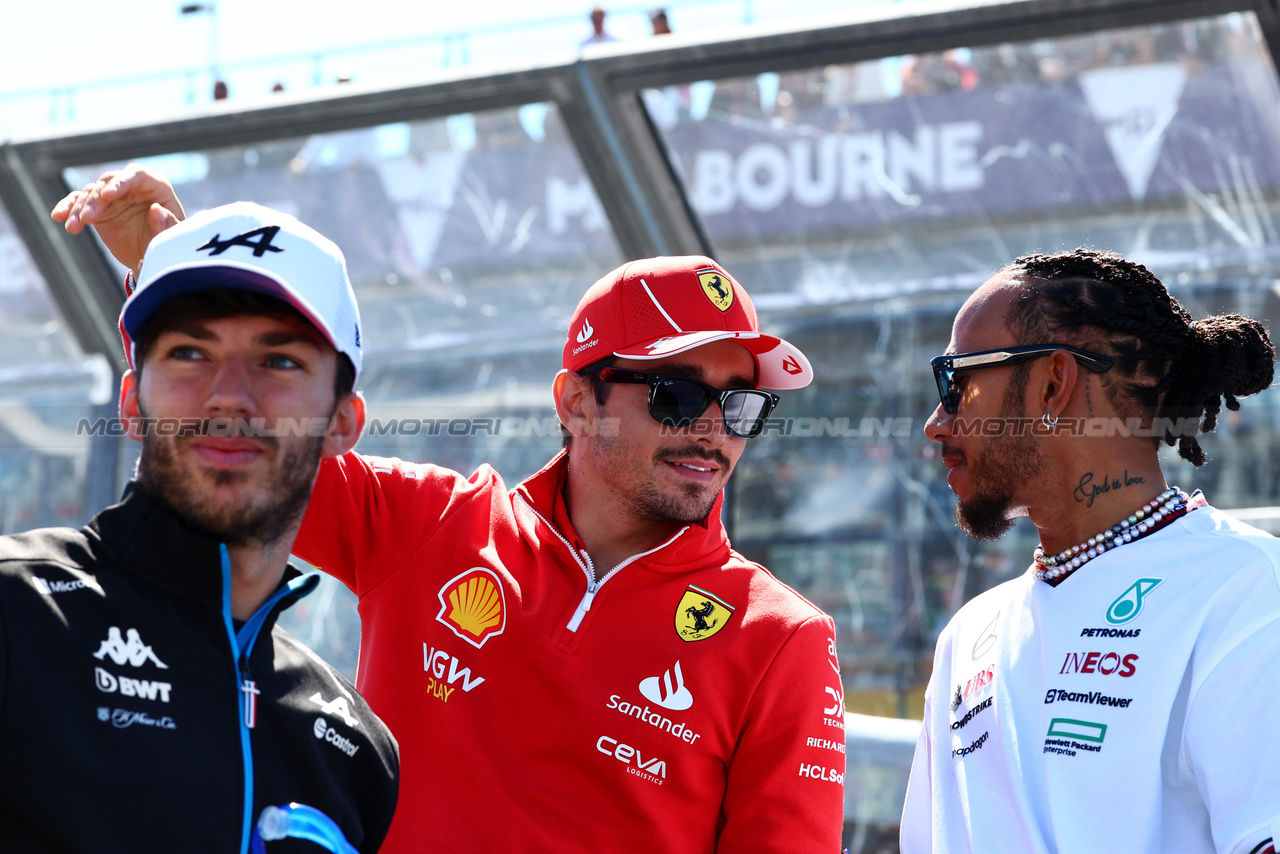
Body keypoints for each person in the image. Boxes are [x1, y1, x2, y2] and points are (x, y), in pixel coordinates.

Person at [57, 166, 847, 854]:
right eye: (677, 396)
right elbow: (256, 445)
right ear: (576, 400)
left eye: (741, 406)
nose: (714, 430)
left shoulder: (783, 639)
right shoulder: (434, 521)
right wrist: (179, 261)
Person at [24, 195, 399, 852]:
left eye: (279, 360)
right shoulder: (16, 615)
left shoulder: (357, 754)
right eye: (190, 353)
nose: (229, 392)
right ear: (132, 402)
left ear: (343, 422)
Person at [901, 248, 1280, 854]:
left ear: (1053, 383)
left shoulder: (1247, 590)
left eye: (957, 381)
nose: (936, 422)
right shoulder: (969, 632)